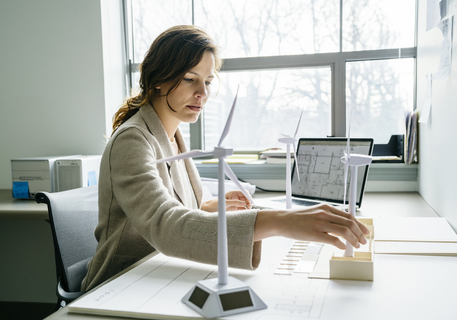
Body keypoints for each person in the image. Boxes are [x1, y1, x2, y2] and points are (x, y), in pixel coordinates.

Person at [81, 25, 368, 291]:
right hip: (122, 281)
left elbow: (173, 203)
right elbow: (164, 224)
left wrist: (210, 206)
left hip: (163, 271)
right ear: (158, 80)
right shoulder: (132, 140)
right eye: (190, 79)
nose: (202, 93)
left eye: (207, 81)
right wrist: (282, 221)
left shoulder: (173, 135)